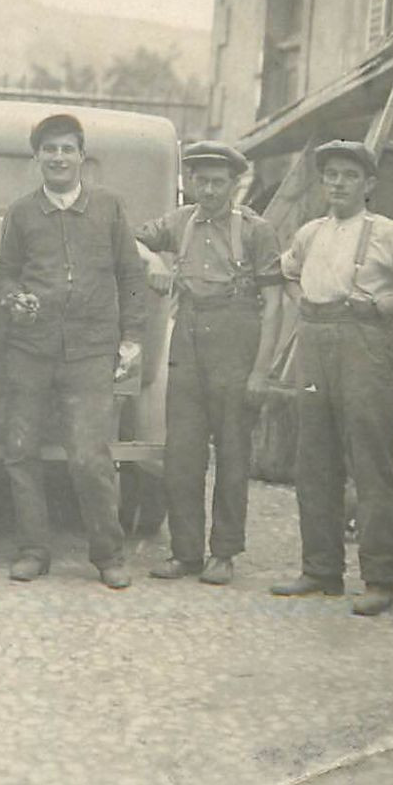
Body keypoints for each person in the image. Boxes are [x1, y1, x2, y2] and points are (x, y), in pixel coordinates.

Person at [270, 140, 393, 614]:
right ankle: (321, 570)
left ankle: (381, 578)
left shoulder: (392, 234)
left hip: (364, 345)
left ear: (369, 185)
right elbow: (288, 275)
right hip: (315, 343)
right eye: (331, 175)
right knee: (313, 459)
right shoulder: (310, 233)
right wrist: (303, 305)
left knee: (371, 461)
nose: (337, 183)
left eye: (349, 176)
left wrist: (386, 307)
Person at [0, 113, 145, 590]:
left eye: (67, 149)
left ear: (82, 156)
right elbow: (6, 274)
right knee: (20, 450)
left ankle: (108, 554)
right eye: (49, 149)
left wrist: (132, 338)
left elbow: (132, 276)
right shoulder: (21, 212)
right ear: (37, 157)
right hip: (30, 349)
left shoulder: (110, 208)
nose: (58, 157)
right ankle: (33, 550)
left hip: (90, 350)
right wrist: (13, 297)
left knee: (88, 455)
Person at [138, 141, 284, 586]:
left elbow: (276, 304)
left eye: (218, 182)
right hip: (187, 336)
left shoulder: (256, 231)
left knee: (234, 452)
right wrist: (152, 264)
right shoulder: (179, 223)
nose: (209, 191)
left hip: (235, 337)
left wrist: (261, 370)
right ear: (189, 182)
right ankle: (186, 553)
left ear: (235, 184)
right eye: (200, 181)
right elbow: (128, 237)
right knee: (182, 451)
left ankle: (224, 552)